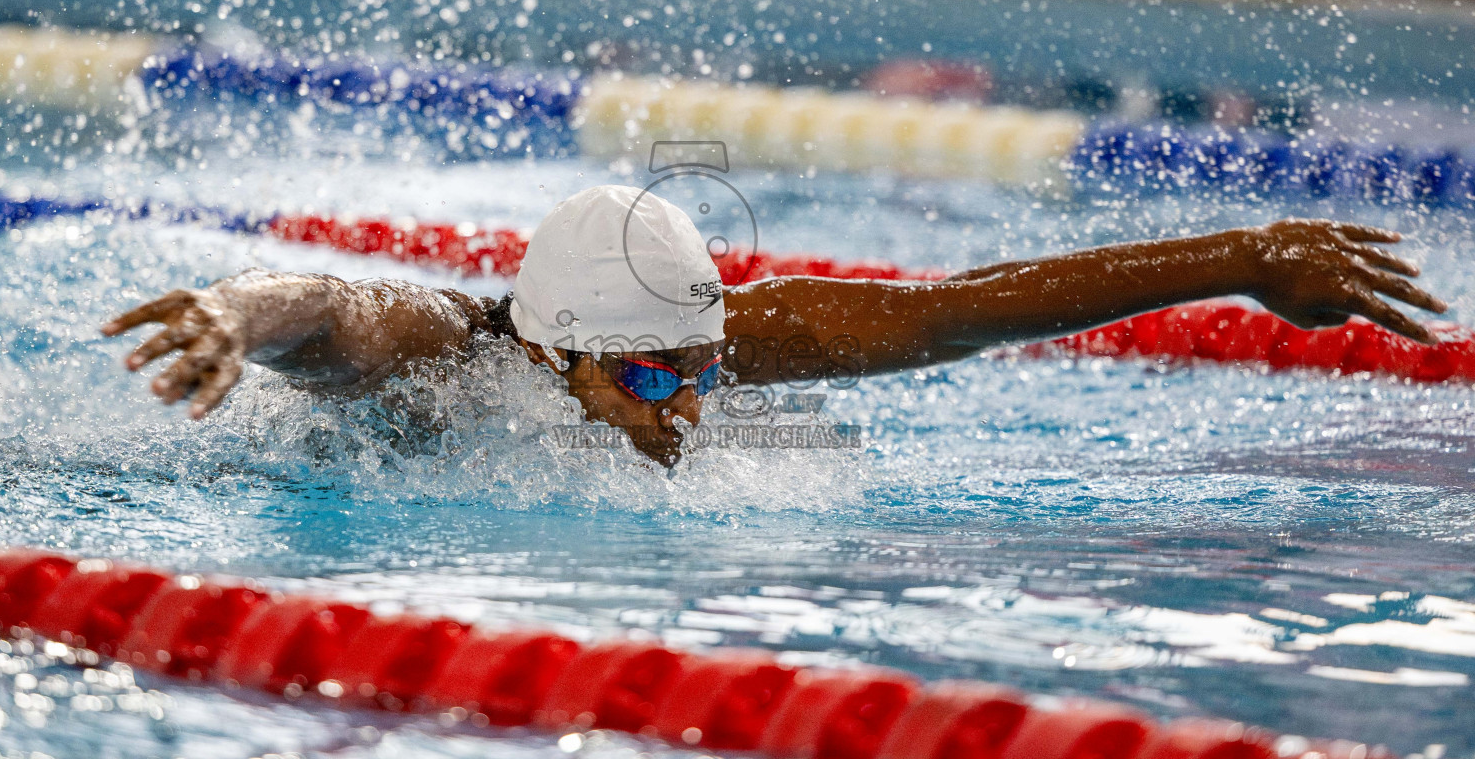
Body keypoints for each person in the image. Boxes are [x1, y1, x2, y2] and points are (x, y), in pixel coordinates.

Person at [102, 185, 1447, 465]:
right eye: (645, 379)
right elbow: (326, 306)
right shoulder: (448, 349)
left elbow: (962, 314)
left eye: (694, 374)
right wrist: (225, 316)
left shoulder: (708, 344)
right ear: (551, 352)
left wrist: (1243, 261)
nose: (681, 410)